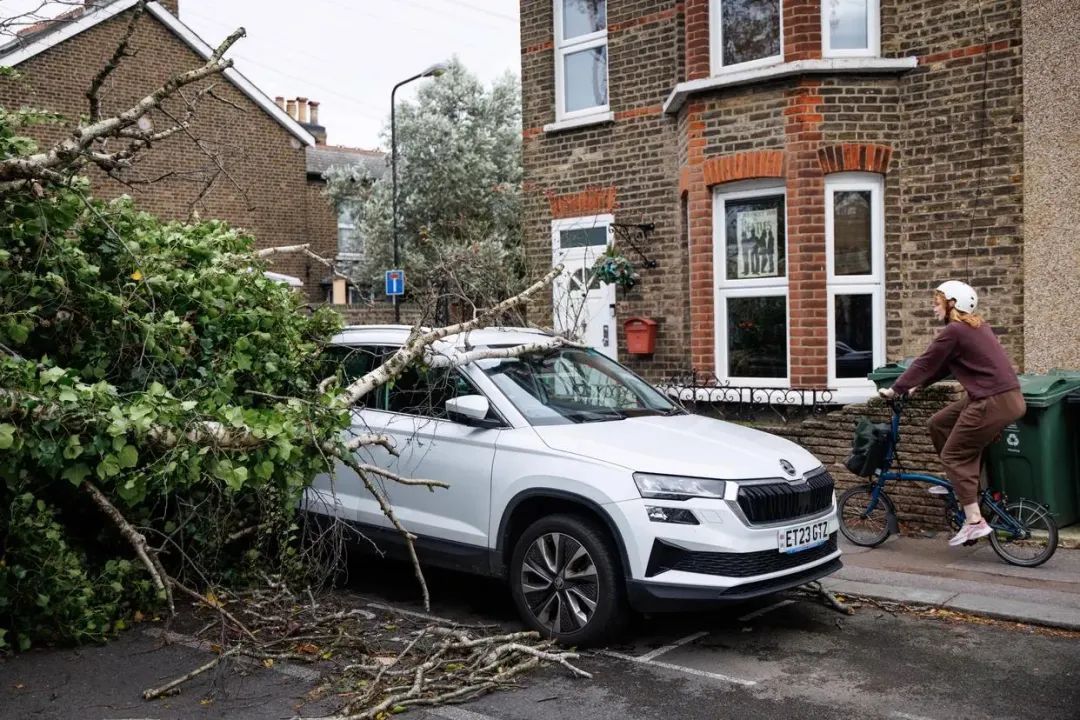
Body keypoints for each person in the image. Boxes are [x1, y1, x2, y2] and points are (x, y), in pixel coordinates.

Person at [878, 281, 1025, 547]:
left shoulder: (955, 330)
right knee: (938, 423)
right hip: (1004, 397)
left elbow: (926, 361)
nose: (934, 306)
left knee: (954, 454)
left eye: (938, 301)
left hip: (991, 401)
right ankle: (956, 483)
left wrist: (895, 389)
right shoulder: (975, 327)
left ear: (952, 303)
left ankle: (974, 521)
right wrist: (917, 387)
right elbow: (943, 366)